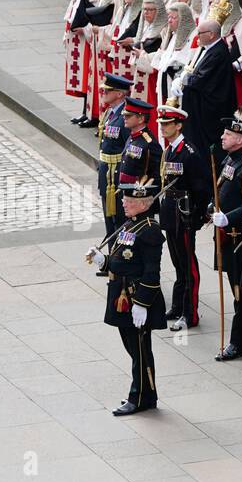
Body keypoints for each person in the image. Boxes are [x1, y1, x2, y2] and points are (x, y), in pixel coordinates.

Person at [89, 177, 167, 415]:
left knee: (140, 351)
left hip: (135, 298)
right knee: (133, 349)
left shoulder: (150, 231)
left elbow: (152, 272)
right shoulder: (130, 224)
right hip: (121, 294)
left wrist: (141, 304)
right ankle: (146, 393)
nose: (123, 202)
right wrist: (104, 263)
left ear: (143, 204)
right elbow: (123, 259)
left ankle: (140, 396)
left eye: (129, 199)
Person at [156, 102, 212, 332]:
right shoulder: (171, 149)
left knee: (188, 266)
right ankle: (178, 305)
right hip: (171, 212)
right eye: (161, 124)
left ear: (178, 126)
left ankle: (190, 313)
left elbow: (202, 187)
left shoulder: (189, 151)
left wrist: (197, 217)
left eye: (167, 124)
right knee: (178, 262)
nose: (162, 128)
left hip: (184, 215)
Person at [208, 116, 242, 361]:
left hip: (237, 235)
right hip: (225, 233)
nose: (222, 138)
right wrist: (212, 206)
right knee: (234, 286)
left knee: (240, 291)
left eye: (227, 135)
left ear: (239, 139)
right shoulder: (229, 159)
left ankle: (240, 341)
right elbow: (222, 186)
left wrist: (227, 217)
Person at [178, 20, 237, 162]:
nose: (197, 36)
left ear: (211, 34)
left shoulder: (217, 53)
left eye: (200, 33)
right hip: (202, 108)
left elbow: (200, 80)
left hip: (210, 112)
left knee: (204, 149)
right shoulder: (212, 49)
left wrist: (184, 79)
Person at [82, 0, 123, 129]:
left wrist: (101, 30)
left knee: (106, 84)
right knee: (95, 81)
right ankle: (95, 115)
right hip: (97, 46)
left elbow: (117, 23)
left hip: (106, 47)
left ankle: (106, 117)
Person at [95, 73, 132, 242]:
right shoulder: (110, 113)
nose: (104, 93)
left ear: (119, 94)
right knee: (109, 222)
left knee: (119, 220)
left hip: (117, 176)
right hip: (106, 173)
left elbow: (128, 149)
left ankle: (120, 259)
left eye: (108, 91)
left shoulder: (126, 117)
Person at [143, 2, 195, 109]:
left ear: (183, 19)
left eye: (173, 17)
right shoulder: (173, 35)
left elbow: (187, 63)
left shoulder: (192, 37)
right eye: (169, 17)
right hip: (165, 84)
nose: (169, 20)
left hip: (176, 88)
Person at [64, 0, 95, 126]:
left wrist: (84, 29)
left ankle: (89, 112)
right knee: (81, 78)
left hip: (87, 41)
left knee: (86, 78)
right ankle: (85, 111)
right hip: (77, 41)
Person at [127, 0, 168, 121]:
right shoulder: (145, 27)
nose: (146, 13)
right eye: (144, 9)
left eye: (150, 9)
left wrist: (143, 55)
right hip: (140, 75)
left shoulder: (164, 30)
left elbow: (162, 55)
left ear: (159, 11)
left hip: (152, 77)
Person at [117, 97, 161, 191]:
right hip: (126, 191)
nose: (124, 117)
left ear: (141, 119)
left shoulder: (149, 143)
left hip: (139, 197)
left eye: (128, 116)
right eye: (124, 115)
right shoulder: (132, 136)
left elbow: (156, 176)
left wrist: (143, 195)